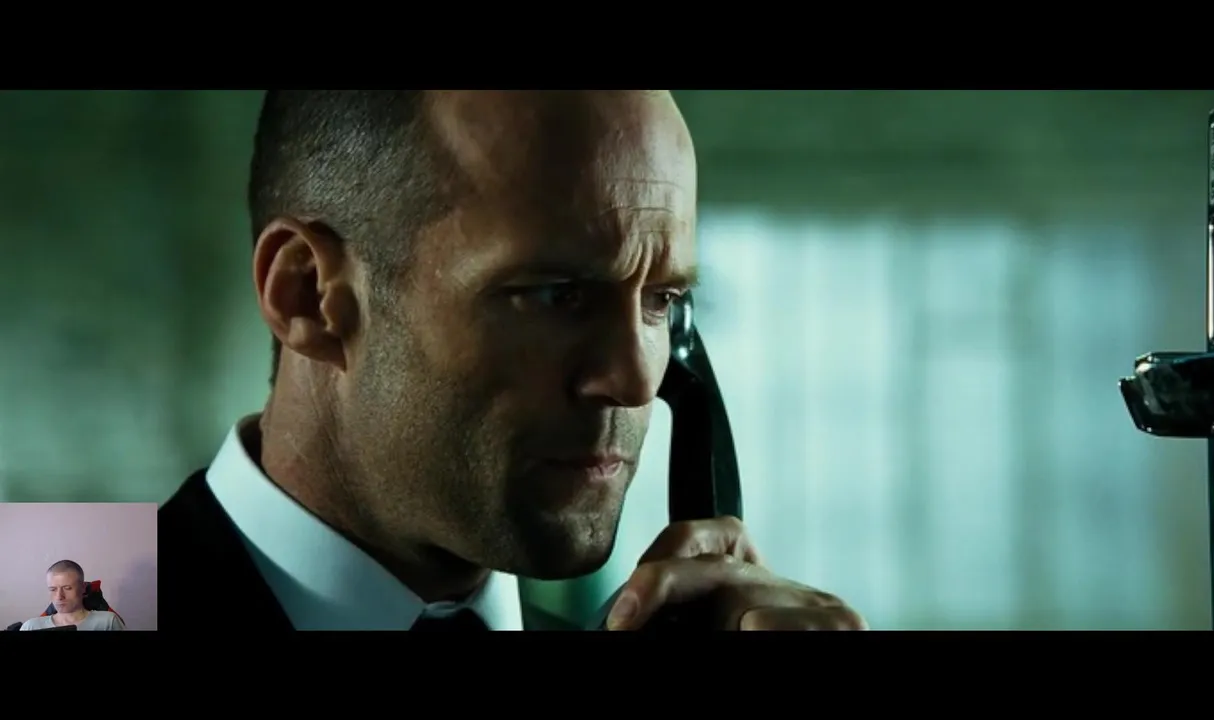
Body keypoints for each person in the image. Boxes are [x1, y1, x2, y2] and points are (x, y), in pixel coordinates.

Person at [159, 90, 868, 631]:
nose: (635, 381)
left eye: (662, 300)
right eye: (556, 295)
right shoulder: (90, 599)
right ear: (308, 296)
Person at [19, 560, 126, 631]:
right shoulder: (31, 627)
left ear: (83, 588)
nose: (59, 596)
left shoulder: (108, 622)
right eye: (53, 589)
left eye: (67, 588)